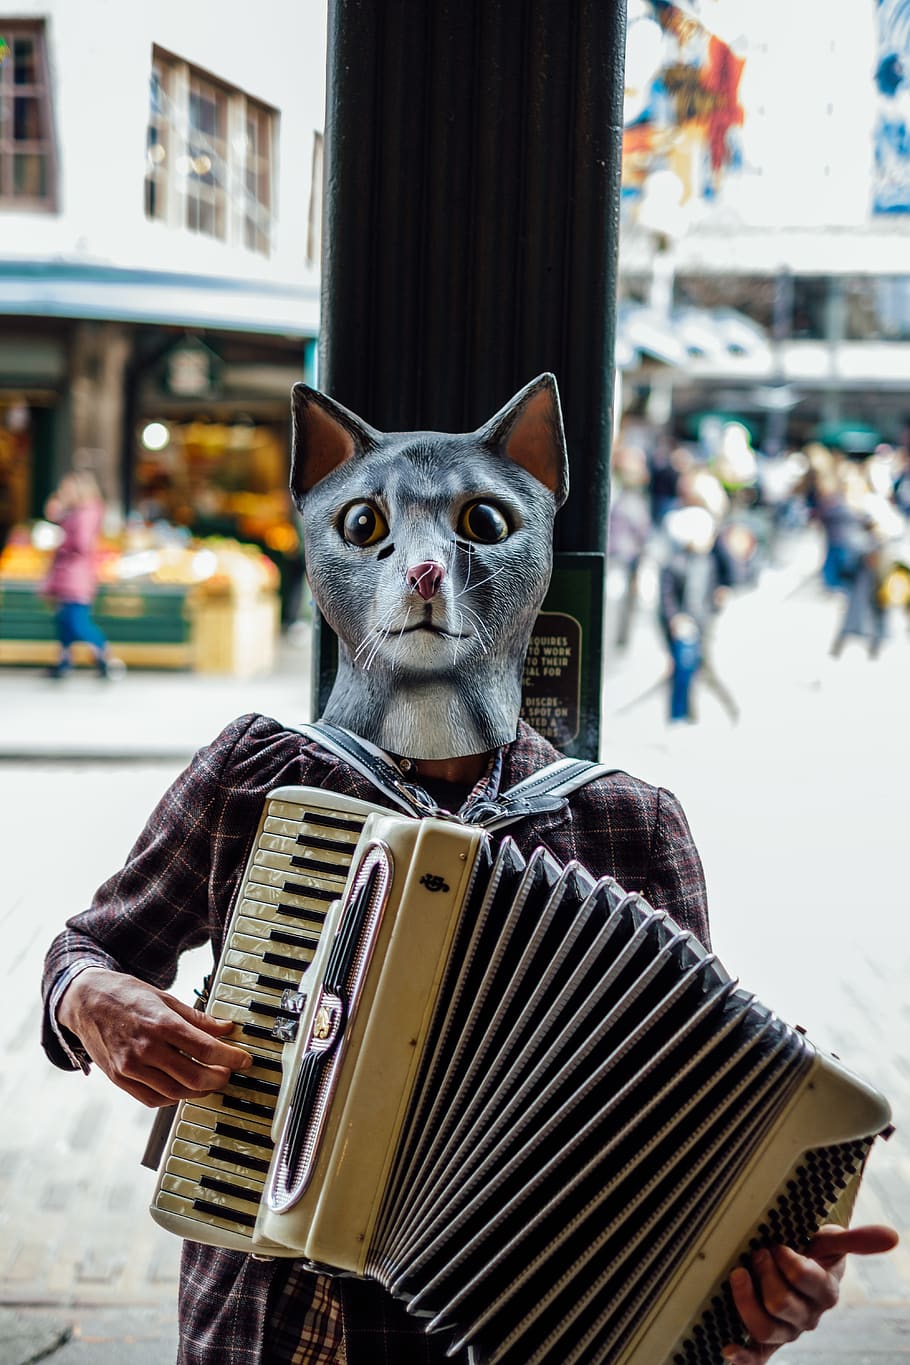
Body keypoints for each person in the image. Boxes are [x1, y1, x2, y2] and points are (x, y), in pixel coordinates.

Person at [42, 378, 896, 1365]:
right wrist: (93, 1001)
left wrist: (745, 1302)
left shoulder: (625, 823)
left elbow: (690, 1135)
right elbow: (86, 949)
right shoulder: (255, 773)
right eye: (368, 525)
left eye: (481, 523)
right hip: (267, 1324)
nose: (424, 568)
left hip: (513, 1335)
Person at [42, 469, 123, 679]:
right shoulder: (75, 512)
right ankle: (64, 660)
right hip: (67, 575)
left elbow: (81, 544)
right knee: (64, 621)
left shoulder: (87, 512)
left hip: (76, 576)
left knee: (77, 621)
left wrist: (62, 545)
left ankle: (105, 655)